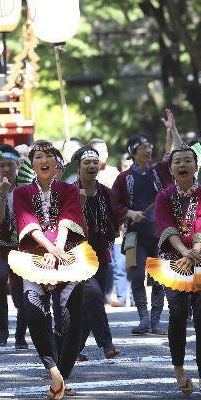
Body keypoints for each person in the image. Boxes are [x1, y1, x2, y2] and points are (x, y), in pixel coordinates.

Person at [12, 141, 86, 400]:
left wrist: (58, 249)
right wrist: (48, 249)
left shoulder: (69, 190)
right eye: (38, 157)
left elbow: (67, 220)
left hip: (68, 255)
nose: (43, 160)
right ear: (32, 164)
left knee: (71, 318)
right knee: (33, 313)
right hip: (34, 256)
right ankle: (53, 371)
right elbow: (28, 224)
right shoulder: (21, 193)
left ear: (56, 164)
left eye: (49, 156)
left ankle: (63, 377)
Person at [155, 146, 201, 396]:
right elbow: (166, 227)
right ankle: (180, 371)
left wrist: (193, 253)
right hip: (174, 260)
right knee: (178, 313)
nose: (183, 165)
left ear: (196, 166)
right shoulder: (163, 197)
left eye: (188, 161)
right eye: (178, 162)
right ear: (171, 169)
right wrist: (184, 252)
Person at [111, 111, 176, 335]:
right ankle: (143, 319)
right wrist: (129, 212)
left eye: (149, 146)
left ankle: (156, 321)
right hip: (133, 236)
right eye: (142, 147)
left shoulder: (160, 171)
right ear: (133, 153)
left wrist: (171, 129)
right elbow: (114, 205)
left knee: (158, 278)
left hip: (159, 234)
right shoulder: (123, 178)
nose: (148, 149)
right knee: (137, 275)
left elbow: (175, 153)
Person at [72, 146, 120, 361]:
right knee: (93, 295)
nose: (91, 166)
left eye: (94, 162)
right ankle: (106, 343)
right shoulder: (69, 192)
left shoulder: (105, 193)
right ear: (77, 167)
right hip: (76, 258)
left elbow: (114, 221)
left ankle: (72, 349)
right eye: (86, 163)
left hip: (101, 255)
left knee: (88, 304)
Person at [0, 144, 28, 349]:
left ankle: (21, 334)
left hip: (21, 245)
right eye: (1, 165)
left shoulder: (26, 184)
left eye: (10, 165)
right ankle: (2, 329)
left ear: (17, 163)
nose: (6, 169)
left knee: (21, 289)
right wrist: (2, 194)